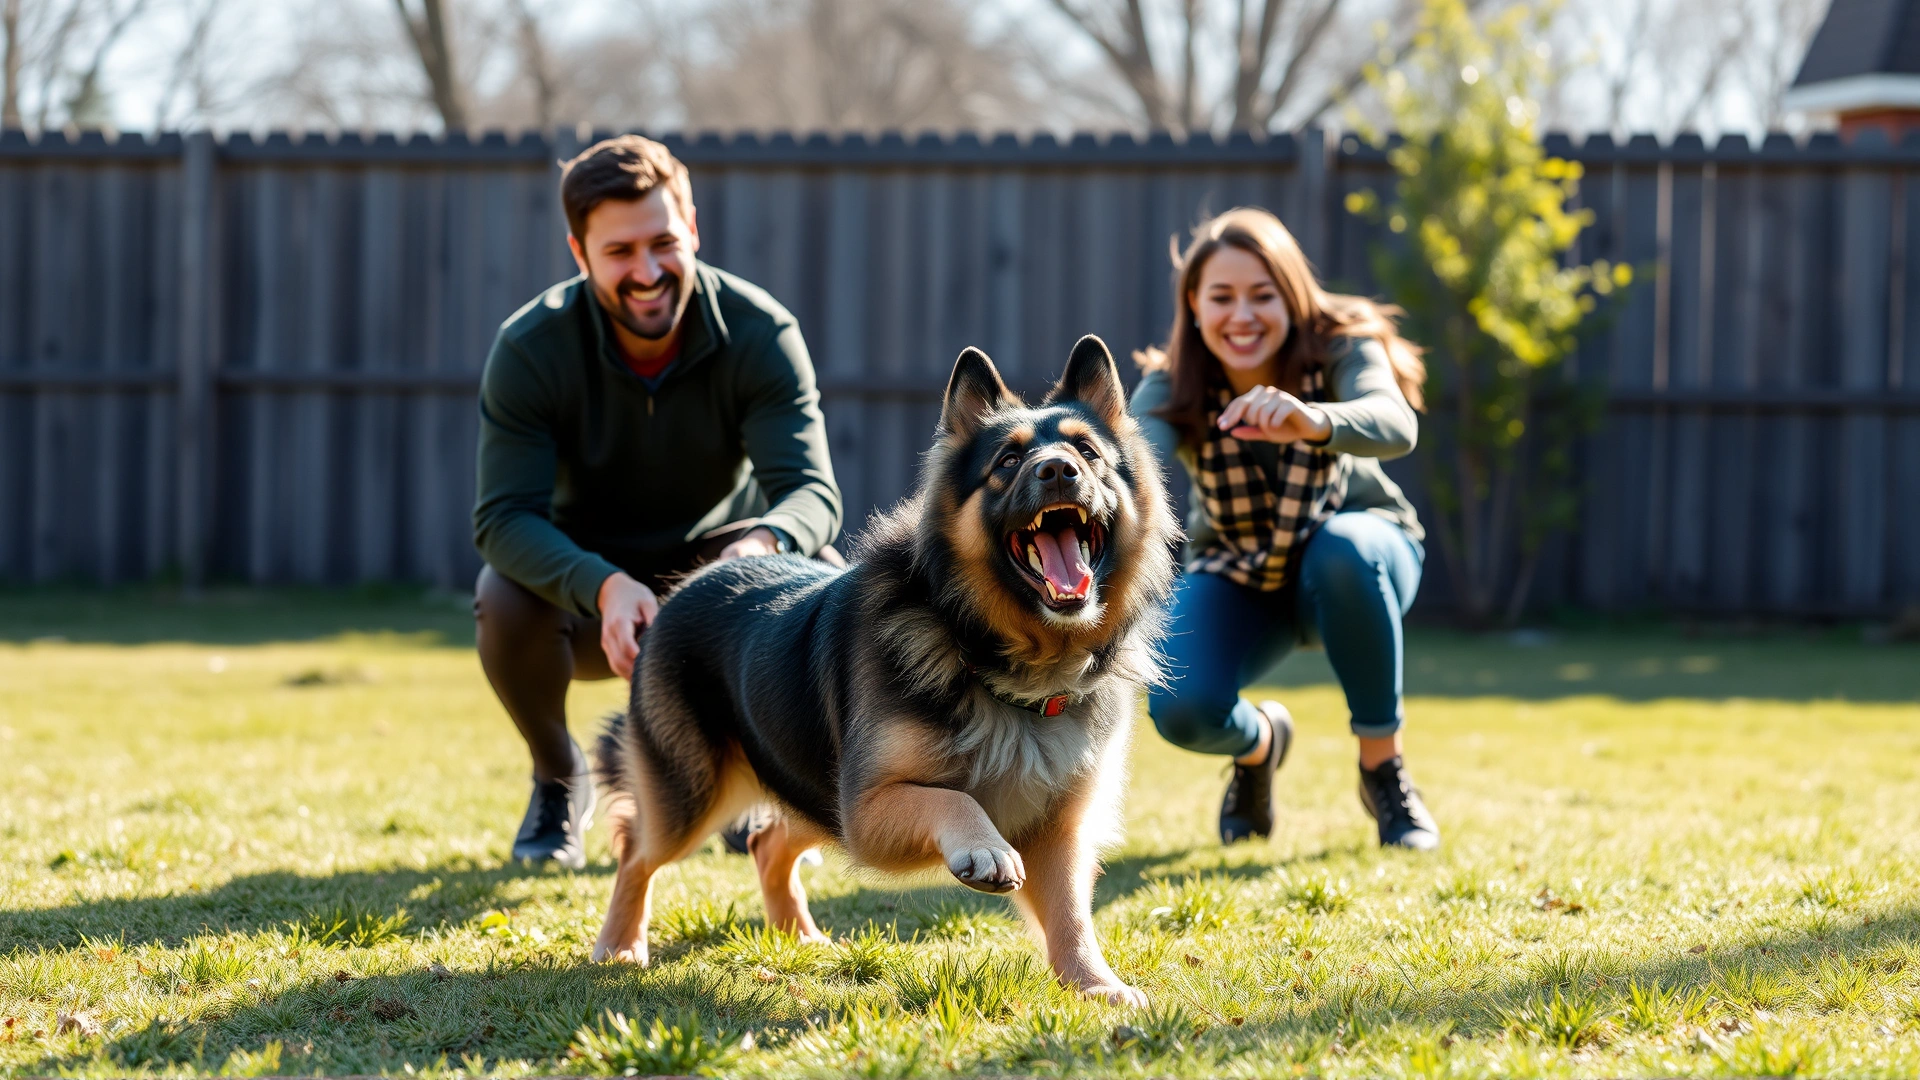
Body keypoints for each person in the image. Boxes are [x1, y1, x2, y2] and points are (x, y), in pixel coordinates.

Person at [472, 135, 843, 869]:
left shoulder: (759, 331)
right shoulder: (530, 347)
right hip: (586, 586)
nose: (646, 272)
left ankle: (758, 777)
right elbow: (502, 517)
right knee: (502, 597)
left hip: (721, 585)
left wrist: (759, 549)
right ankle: (558, 778)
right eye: (619, 253)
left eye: (663, 242)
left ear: (693, 230)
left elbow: (811, 491)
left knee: (821, 570)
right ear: (580, 254)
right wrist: (604, 586)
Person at [1129, 207, 1439, 850]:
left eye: (1261, 295)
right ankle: (1260, 743)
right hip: (1241, 574)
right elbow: (1130, 464)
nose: (1242, 315)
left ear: (1292, 296)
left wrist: (1312, 420)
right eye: (1222, 297)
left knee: (1344, 549)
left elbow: (1395, 422)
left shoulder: (1341, 345)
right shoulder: (1172, 384)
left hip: (1360, 560)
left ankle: (1384, 770)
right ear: (1194, 305)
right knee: (1180, 705)